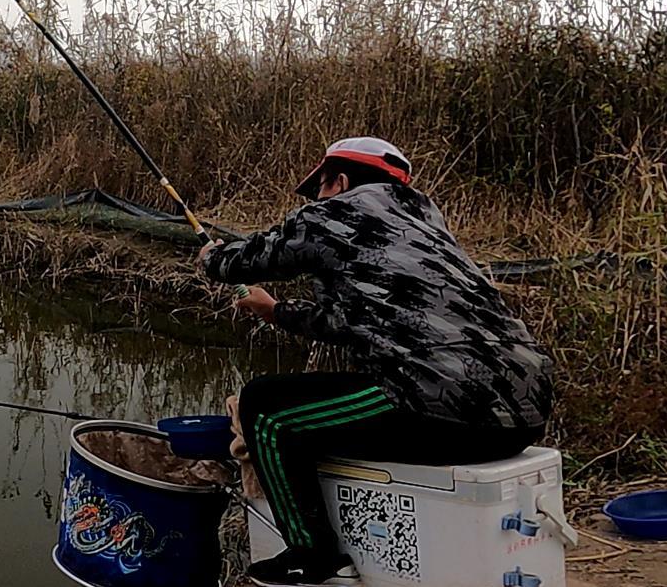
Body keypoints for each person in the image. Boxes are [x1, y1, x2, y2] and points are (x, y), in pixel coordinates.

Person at [199, 137, 553, 587]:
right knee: (319, 400)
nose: (319, 199)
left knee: (266, 409)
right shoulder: (425, 231)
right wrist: (274, 311)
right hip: (527, 414)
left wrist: (211, 256)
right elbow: (350, 320)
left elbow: (242, 262)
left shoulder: (334, 213)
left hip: (446, 412)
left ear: (341, 181)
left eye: (322, 187)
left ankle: (312, 554)